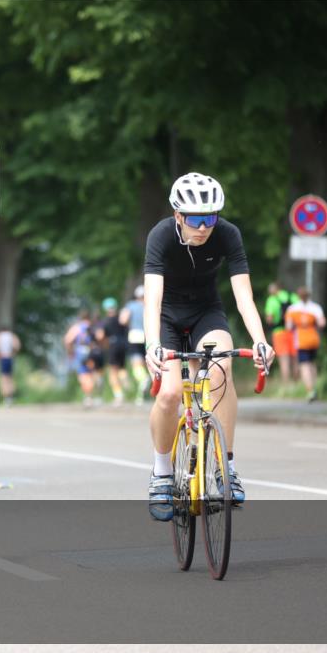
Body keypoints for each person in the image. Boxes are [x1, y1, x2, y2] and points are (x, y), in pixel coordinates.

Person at [143, 172, 274, 521]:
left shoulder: (228, 234)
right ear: (178, 216)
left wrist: (261, 341)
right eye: (196, 219)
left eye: (211, 217)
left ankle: (225, 468)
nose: (204, 227)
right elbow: (152, 299)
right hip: (168, 319)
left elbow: (244, 297)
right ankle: (161, 473)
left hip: (206, 313)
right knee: (169, 394)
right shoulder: (160, 236)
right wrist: (153, 344)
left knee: (221, 368)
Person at [285, 286, 326, 402]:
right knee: (312, 364)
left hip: (301, 340)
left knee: (304, 365)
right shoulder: (316, 307)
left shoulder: (292, 309)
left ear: (298, 296)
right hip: (313, 339)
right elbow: (322, 323)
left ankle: (310, 391)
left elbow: (288, 327)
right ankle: (315, 388)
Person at [264, 282, 299, 384]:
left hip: (279, 332)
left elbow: (269, 318)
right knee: (295, 358)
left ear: (275, 289)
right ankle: (297, 383)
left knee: (284, 359)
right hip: (293, 332)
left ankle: (286, 384)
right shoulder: (292, 296)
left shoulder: (271, 299)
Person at [96, 297, 129, 405]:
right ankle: (126, 381)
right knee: (122, 368)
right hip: (123, 344)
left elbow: (100, 336)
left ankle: (118, 395)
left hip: (113, 345)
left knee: (112, 372)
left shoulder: (105, 321)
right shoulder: (121, 319)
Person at [121, 285, 149, 404]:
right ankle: (142, 395)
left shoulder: (131, 305)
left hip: (135, 335)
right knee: (149, 363)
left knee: (136, 364)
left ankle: (143, 379)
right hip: (149, 336)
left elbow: (123, 320)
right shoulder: (150, 305)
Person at [64, 312, 98, 407]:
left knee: (83, 375)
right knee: (91, 374)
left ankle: (88, 396)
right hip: (92, 353)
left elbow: (67, 340)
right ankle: (93, 394)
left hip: (81, 352)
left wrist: (70, 353)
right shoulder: (92, 326)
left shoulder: (77, 327)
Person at [0, 327, 21, 405]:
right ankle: (11, 397)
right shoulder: (12, 336)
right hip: (10, 358)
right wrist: (13, 353)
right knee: (10, 377)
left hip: (3, 358)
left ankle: (6, 398)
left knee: (4, 378)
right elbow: (17, 346)